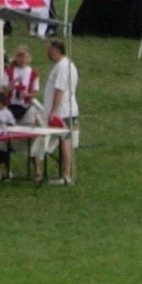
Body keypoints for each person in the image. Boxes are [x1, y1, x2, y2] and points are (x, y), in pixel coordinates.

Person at [42, 37, 79, 186]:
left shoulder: (63, 67)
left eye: (50, 51)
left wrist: (54, 111)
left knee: (65, 141)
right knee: (65, 141)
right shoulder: (67, 65)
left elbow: (60, 90)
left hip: (63, 111)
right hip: (65, 109)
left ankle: (66, 175)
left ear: (56, 51)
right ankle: (66, 174)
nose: (48, 54)